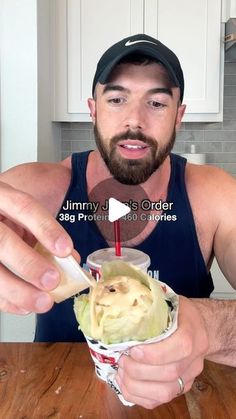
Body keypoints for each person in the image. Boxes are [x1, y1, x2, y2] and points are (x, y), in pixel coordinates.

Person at [0, 33, 235, 409]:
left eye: (156, 102)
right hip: (54, 399)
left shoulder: (216, 196)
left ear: (179, 115)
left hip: (180, 402)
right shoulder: (35, 190)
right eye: (117, 98)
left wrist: (208, 325)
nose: (134, 121)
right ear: (93, 109)